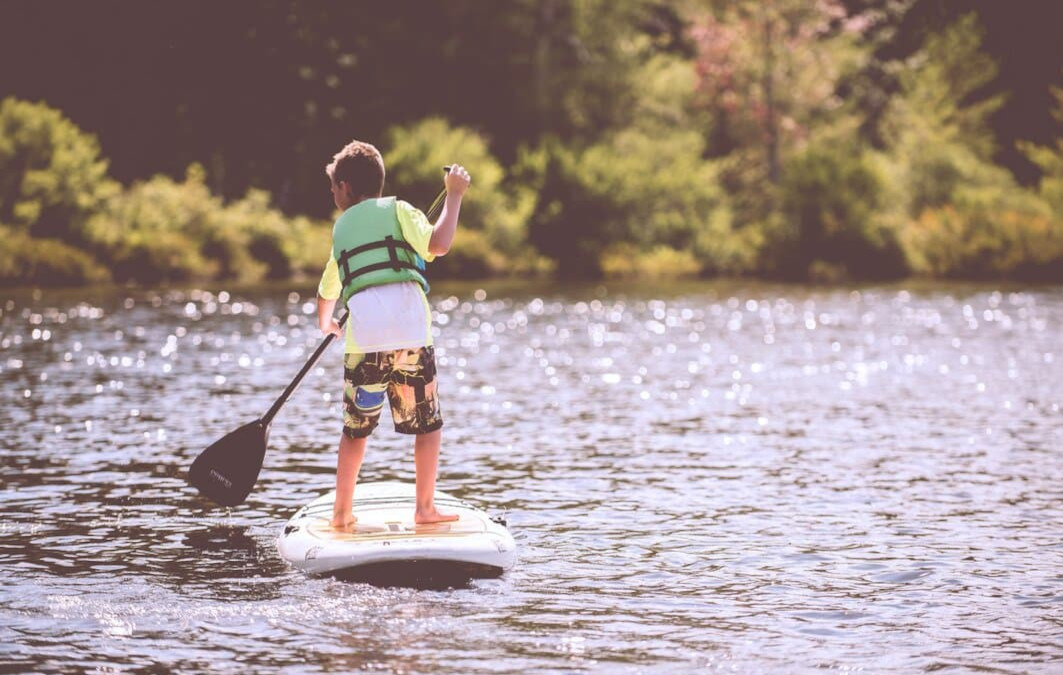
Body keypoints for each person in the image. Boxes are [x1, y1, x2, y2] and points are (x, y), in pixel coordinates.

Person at [315, 139, 470, 529]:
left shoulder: (341, 229)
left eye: (334, 186)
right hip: (412, 336)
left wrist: (326, 323)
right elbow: (440, 243)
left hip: (364, 342)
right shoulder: (400, 210)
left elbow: (327, 290)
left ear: (346, 187)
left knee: (356, 431)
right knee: (427, 426)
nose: (333, 193)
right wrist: (453, 197)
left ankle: (341, 513)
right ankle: (425, 509)